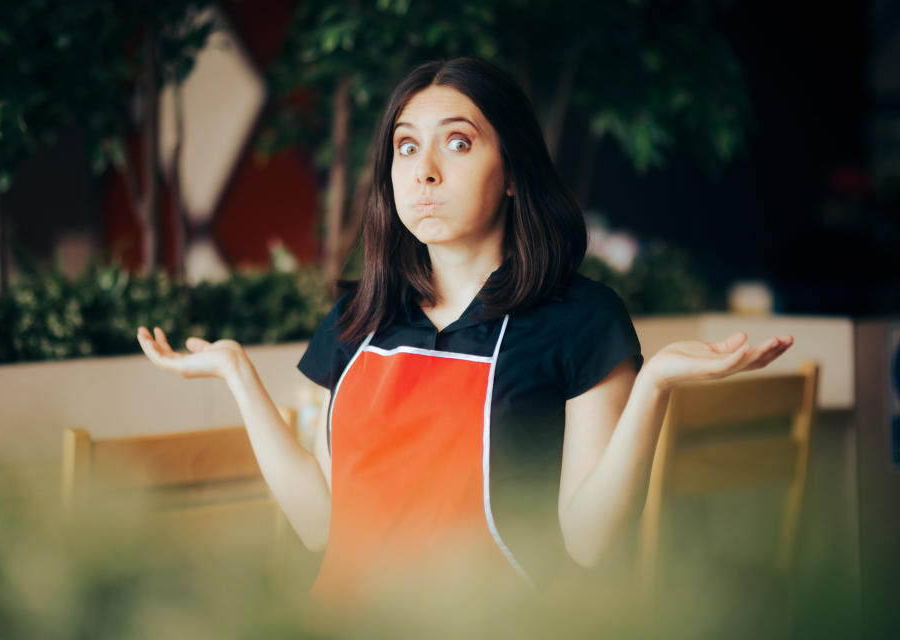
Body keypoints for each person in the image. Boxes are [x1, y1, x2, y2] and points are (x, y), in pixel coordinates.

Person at [137, 57, 793, 612]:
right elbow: (320, 528)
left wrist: (653, 386)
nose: (424, 171)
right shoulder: (356, 320)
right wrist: (237, 376)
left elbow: (588, 544)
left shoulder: (582, 321)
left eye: (457, 142)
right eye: (405, 146)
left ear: (512, 173)